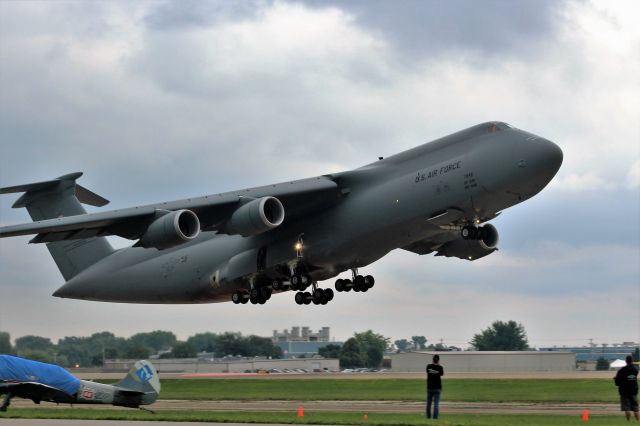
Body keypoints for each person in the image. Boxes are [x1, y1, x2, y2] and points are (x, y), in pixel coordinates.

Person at [614, 355, 639, 422]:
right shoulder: (635, 370)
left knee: (627, 408)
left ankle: (628, 422)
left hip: (624, 392)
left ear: (626, 361)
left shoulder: (622, 370)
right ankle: (638, 422)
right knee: (635, 409)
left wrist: (615, 379)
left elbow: (617, 382)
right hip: (633, 391)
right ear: (632, 361)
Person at [426, 354, 444, 419]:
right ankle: (435, 417)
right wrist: (437, 371)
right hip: (437, 387)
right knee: (436, 404)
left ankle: (428, 416)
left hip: (429, 387)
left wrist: (433, 371)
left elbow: (428, 371)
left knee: (429, 403)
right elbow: (441, 373)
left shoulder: (428, 366)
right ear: (438, 360)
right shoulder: (440, 367)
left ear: (432, 359)